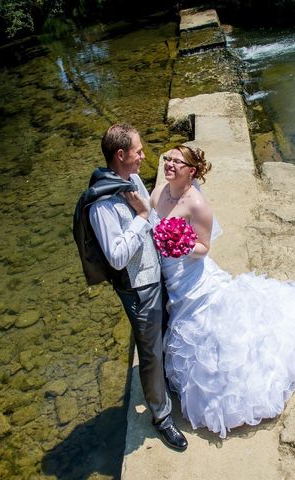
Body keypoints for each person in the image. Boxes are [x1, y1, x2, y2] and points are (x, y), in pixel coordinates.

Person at [150, 145, 295, 438]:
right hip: (169, 276)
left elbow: (204, 247)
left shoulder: (197, 204)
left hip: (191, 279)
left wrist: (179, 244)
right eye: (167, 159)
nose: (169, 164)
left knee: (207, 331)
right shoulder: (158, 193)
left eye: (176, 161)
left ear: (191, 171)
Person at [87, 124, 187, 451]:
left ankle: (166, 388)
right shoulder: (102, 204)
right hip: (138, 289)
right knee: (149, 354)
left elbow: (149, 214)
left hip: (157, 273)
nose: (145, 156)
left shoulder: (131, 179)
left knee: (167, 332)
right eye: (139, 151)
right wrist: (142, 218)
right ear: (121, 155)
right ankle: (162, 418)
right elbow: (116, 257)